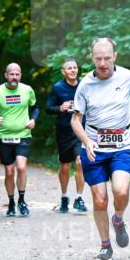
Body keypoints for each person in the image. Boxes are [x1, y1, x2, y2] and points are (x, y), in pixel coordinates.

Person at [71, 38, 130, 260]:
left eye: (106, 58)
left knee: (121, 191)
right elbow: (76, 120)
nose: (103, 63)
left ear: (114, 56)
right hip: (94, 147)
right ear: (92, 59)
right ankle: (105, 245)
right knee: (100, 200)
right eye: (98, 59)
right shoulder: (85, 84)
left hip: (121, 144)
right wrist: (86, 141)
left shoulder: (128, 77)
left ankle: (119, 219)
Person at [0, 63, 38, 217]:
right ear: (6, 75)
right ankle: (11, 202)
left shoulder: (27, 90)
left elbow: (35, 108)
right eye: (12, 74)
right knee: (9, 171)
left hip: (23, 134)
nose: (14, 77)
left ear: (20, 75)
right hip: (5, 136)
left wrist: (33, 119)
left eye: (17, 74)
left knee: (21, 168)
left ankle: (22, 199)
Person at [46, 59, 87, 213]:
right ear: (63, 71)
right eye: (69, 68)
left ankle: (79, 198)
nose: (73, 70)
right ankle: (64, 196)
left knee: (80, 162)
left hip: (81, 131)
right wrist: (60, 107)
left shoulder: (84, 85)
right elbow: (48, 108)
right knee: (65, 166)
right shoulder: (58, 88)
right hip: (64, 131)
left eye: (75, 67)